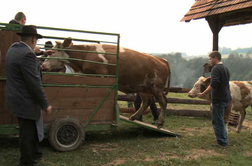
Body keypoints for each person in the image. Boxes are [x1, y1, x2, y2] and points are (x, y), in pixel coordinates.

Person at [5, 25, 52, 166]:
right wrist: (45, 104)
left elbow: (24, 63)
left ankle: (35, 153)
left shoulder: (13, 49)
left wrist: (41, 54)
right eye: (36, 39)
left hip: (16, 98)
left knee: (28, 129)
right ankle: (26, 161)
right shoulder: (28, 55)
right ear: (33, 39)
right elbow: (34, 84)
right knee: (28, 133)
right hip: (26, 101)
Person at [197, 51, 231, 147]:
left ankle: (222, 142)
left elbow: (214, 84)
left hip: (219, 99)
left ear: (215, 58)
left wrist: (203, 93)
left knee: (217, 120)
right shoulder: (225, 68)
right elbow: (226, 85)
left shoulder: (216, 69)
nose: (209, 60)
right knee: (220, 119)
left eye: (210, 58)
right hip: (226, 98)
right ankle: (222, 139)